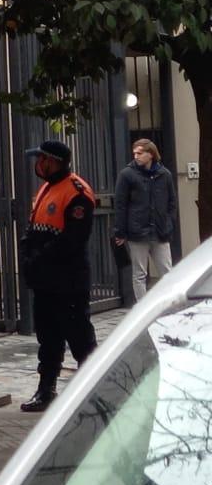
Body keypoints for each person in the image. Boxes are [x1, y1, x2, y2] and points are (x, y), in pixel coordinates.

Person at [18, 140, 97, 413]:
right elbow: (34, 227)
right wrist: (28, 255)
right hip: (46, 281)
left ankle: (96, 392)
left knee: (80, 338)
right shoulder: (47, 189)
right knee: (48, 337)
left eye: (41, 159)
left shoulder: (78, 193)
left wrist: (38, 259)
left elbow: (71, 240)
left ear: (54, 161)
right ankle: (46, 389)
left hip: (68, 280)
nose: (38, 165)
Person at [113, 138, 177, 303]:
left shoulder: (164, 174)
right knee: (139, 274)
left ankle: (167, 304)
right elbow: (120, 205)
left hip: (160, 231)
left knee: (167, 272)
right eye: (134, 153)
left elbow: (171, 202)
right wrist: (120, 231)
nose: (136, 156)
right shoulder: (127, 174)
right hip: (137, 232)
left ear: (151, 154)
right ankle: (143, 308)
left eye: (140, 153)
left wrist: (169, 223)